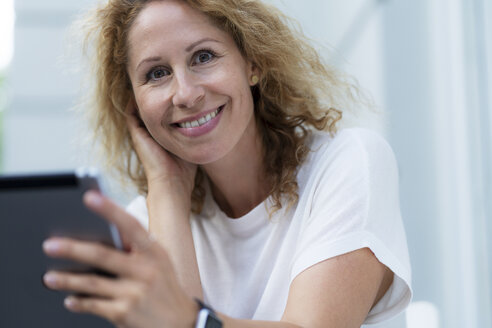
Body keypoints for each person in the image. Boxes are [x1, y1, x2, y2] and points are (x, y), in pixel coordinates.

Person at [42, 0, 412, 327]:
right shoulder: (141, 224)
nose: (185, 94)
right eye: (157, 73)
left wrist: (193, 322)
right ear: (134, 106)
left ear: (254, 63)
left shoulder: (345, 163)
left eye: (203, 57)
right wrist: (168, 187)